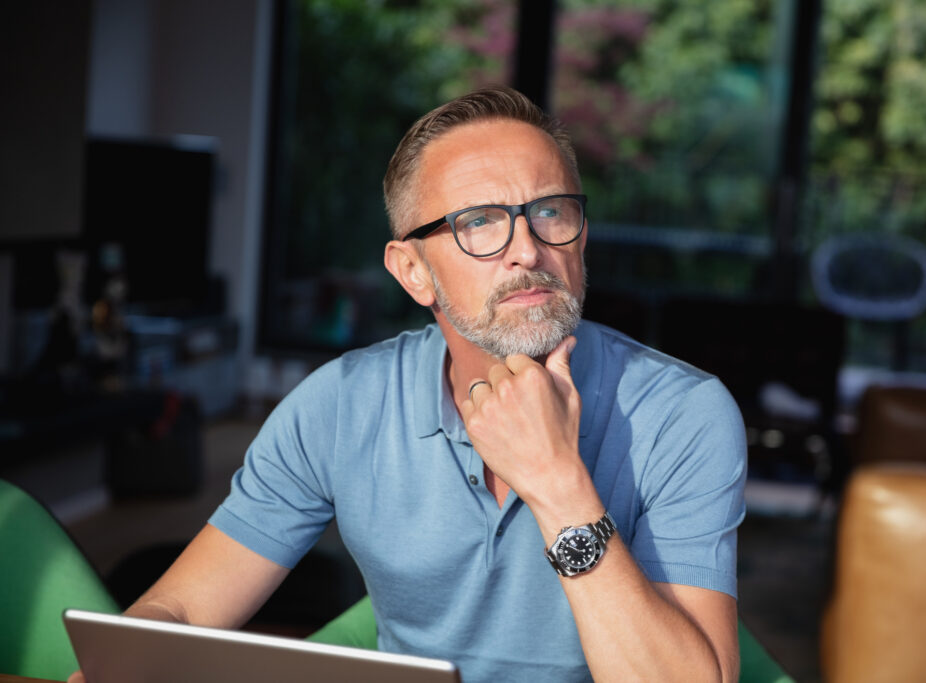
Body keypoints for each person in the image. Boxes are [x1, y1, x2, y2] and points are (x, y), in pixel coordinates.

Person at [71, 86, 746, 682]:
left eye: (551, 211)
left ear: (580, 236)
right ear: (413, 271)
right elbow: (184, 604)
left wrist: (557, 481)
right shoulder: (338, 404)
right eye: (478, 221)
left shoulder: (683, 414)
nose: (527, 248)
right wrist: (125, 662)